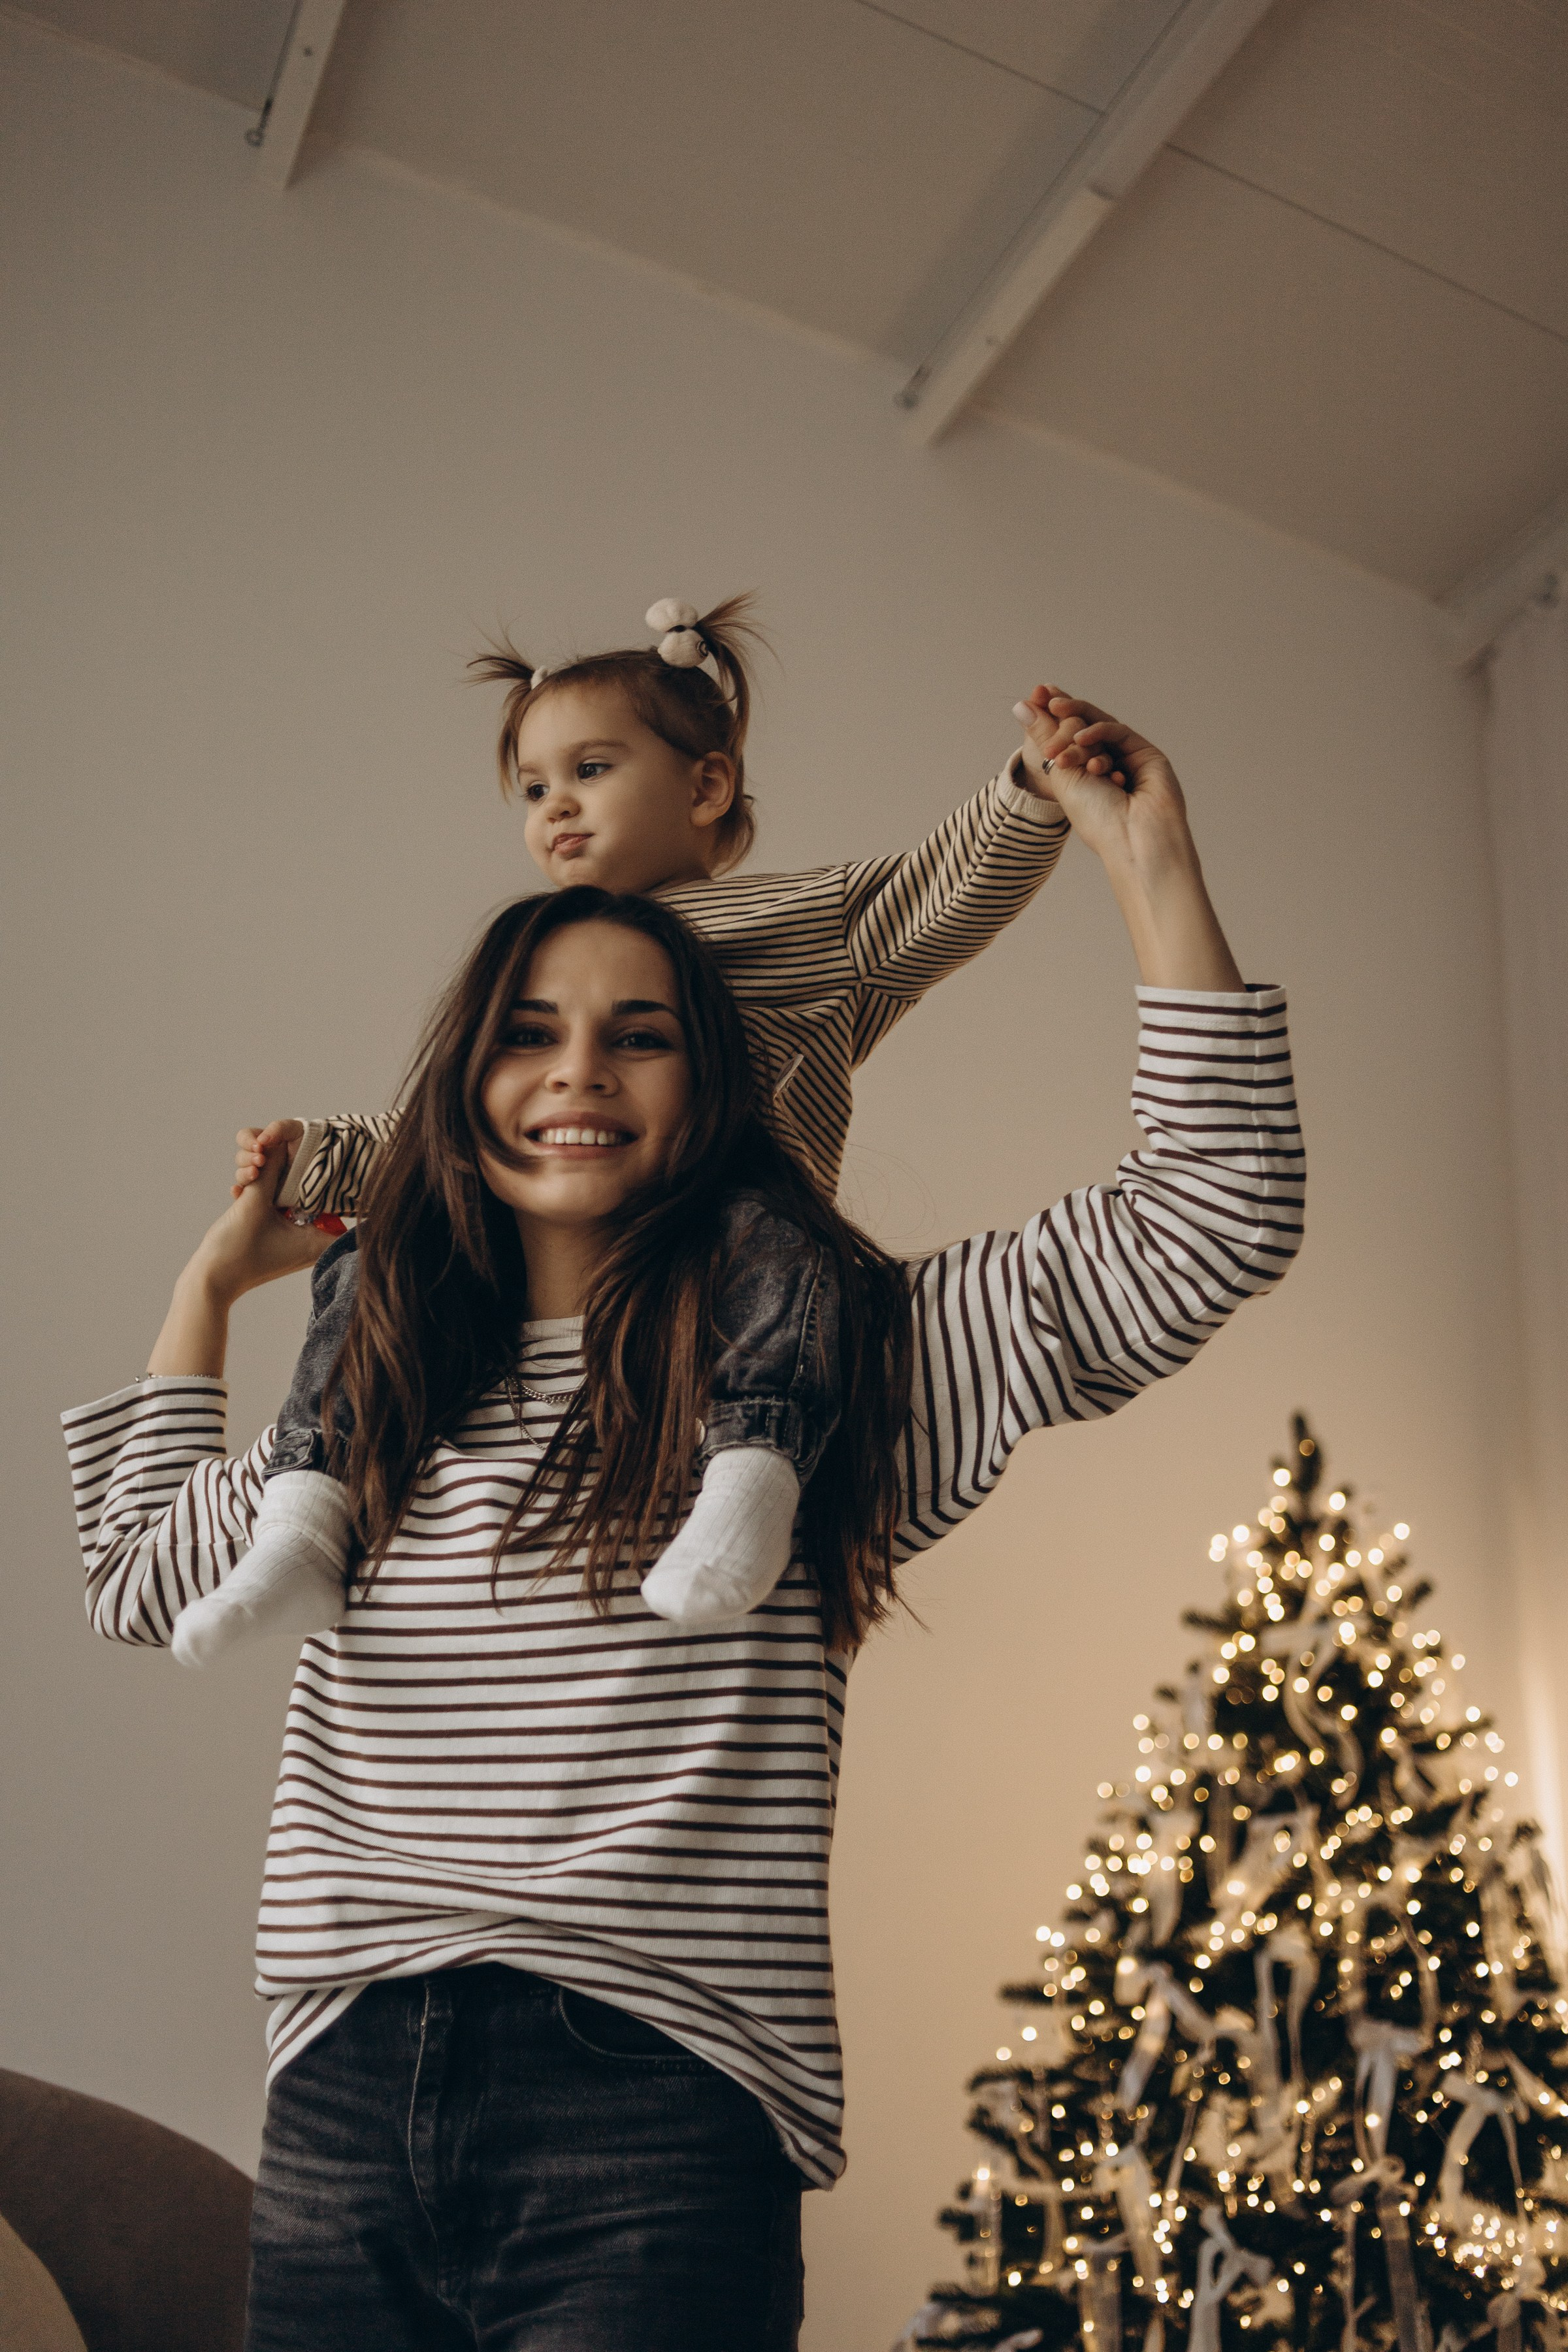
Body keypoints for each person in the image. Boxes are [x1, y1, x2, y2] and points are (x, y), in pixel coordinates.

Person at [61, 693, 1304, 2350]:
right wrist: (206, 1285)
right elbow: (141, 1578)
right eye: (528, 1032)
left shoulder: (835, 1366)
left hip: (657, 2111)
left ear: (708, 1078)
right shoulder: (378, 1398)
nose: (579, 1071)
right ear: (461, 1082)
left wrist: (1149, 867)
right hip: (345, 2106)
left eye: (638, 1033)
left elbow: (1211, 1218)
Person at [176, 595, 1095, 1666]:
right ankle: (301, 1523)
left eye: (591, 771)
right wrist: (323, 1158)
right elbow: (465, 1122)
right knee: (375, 1258)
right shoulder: (539, 958)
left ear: (705, 785)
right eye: (532, 788)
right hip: (570, 1265)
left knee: (780, 1235)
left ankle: (750, 1482)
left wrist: (1031, 791)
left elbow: (934, 895)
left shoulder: (793, 927)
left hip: (726, 1257)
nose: (555, 807)